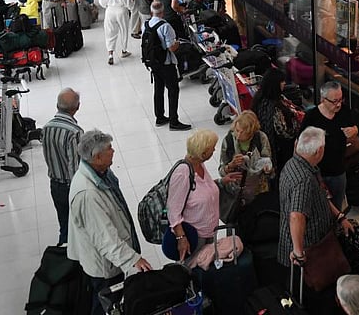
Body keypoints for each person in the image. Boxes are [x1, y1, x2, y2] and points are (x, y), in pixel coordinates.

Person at [67, 130, 152, 314]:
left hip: (113, 260)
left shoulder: (101, 172)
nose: (113, 151)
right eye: (109, 149)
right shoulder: (87, 194)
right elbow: (104, 238)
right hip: (105, 267)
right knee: (106, 305)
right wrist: (132, 259)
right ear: (97, 157)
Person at [278, 127, 353, 274]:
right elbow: (296, 216)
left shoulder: (294, 164)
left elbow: (321, 196)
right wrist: (299, 253)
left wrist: (339, 216)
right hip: (310, 250)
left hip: (306, 244)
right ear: (319, 151)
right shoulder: (304, 180)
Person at [167, 129, 242, 260]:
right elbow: (173, 211)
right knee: (194, 267)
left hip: (209, 232)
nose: (214, 151)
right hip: (194, 237)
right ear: (202, 153)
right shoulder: (182, 173)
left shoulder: (199, 164)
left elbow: (200, 190)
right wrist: (181, 238)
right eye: (212, 149)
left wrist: (222, 181)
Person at [301, 81, 357, 210]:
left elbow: (354, 126)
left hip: (338, 171)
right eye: (334, 101)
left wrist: (354, 130)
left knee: (337, 207)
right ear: (322, 99)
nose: (338, 104)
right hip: (317, 172)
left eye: (340, 100)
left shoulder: (344, 111)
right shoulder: (312, 117)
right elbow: (300, 143)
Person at [42, 88, 84, 245]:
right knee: (78, 228)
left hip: (55, 185)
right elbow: (75, 167)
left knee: (64, 225)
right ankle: (73, 261)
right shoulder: (75, 132)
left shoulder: (47, 127)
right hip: (70, 187)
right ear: (77, 107)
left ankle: (63, 255)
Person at [144, 1, 191, 130]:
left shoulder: (146, 24)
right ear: (162, 12)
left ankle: (159, 117)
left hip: (153, 62)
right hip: (166, 63)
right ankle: (174, 122)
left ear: (152, 11)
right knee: (173, 90)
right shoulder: (166, 26)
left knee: (158, 89)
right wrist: (178, 44)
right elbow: (171, 47)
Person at [252, 67, 301, 170]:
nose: (284, 83)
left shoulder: (259, 98)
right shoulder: (276, 107)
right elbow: (284, 132)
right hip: (279, 151)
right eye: (282, 81)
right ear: (275, 84)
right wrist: (297, 125)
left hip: (264, 146)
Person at [218, 111, 275, 197]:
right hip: (235, 190)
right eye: (237, 130)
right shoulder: (228, 141)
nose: (238, 135)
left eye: (242, 132)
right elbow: (221, 171)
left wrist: (267, 169)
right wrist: (231, 165)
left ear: (251, 131)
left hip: (258, 189)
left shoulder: (261, 138)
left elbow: (268, 162)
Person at [98, 0, 135, 65]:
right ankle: (124, 50)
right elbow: (129, 4)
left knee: (110, 33)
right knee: (124, 31)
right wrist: (131, 8)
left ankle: (110, 54)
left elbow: (102, 3)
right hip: (121, 11)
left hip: (110, 11)